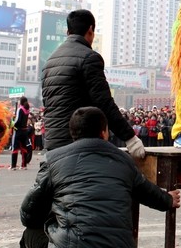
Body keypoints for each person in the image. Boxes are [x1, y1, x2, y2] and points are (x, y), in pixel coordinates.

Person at [20, 107, 180, 248]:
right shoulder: (124, 160)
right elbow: (150, 194)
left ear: (72, 133)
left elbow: (28, 214)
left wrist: (52, 217)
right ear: (105, 132)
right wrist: (168, 199)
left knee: (29, 237)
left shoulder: (54, 159)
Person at [41, 9, 144, 159]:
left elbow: (49, 106)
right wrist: (130, 138)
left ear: (68, 32)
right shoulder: (89, 58)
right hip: (79, 146)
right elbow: (104, 102)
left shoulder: (49, 62)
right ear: (90, 30)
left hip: (52, 146)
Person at [10, 97, 34, 170]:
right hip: (24, 131)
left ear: (21, 102)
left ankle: (13, 166)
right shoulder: (27, 110)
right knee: (24, 148)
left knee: (15, 148)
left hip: (18, 130)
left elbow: (18, 120)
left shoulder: (20, 109)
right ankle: (24, 165)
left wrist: (12, 124)